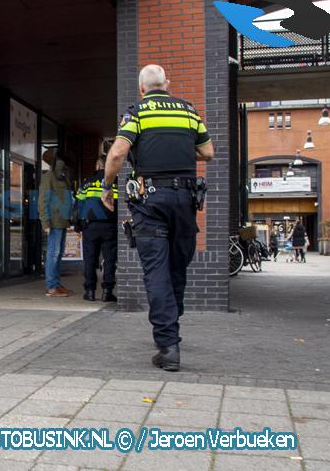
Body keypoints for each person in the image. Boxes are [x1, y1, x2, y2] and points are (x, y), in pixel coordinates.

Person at [101, 64, 215, 372]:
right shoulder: (189, 112)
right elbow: (208, 152)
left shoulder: (137, 113)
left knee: (156, 271)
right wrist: (176, 151)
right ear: (167, 83)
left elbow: (116, 154)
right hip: (185, 200)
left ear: (142, 88)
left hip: (150, 201)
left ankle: (168, 346)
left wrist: (107, 187)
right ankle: (171, 326)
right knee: (177, 266)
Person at [75, 150, 119, 302]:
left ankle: (90, 291)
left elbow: (79, 204)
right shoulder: (115, 182)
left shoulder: (87, 182)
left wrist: (78, 225)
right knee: (109, 260)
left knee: (90, 259)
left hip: (91, 226)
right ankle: (107, 292)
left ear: (97, 165)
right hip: (110, 226)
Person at [39, 147, 73, 297]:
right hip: (53, 222)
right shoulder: (48, 177)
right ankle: (51, 286)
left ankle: (56, 284)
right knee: (54, 253)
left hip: (62, 221)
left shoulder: (63, 177)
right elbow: (43, 201)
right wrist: (45, 222)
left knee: (58, 254)